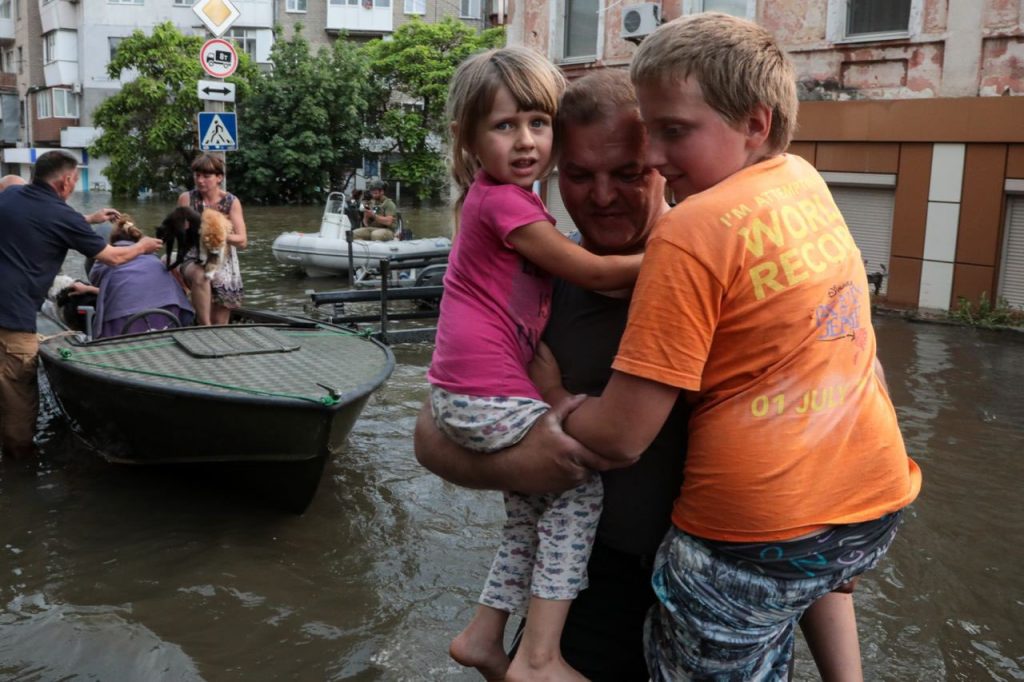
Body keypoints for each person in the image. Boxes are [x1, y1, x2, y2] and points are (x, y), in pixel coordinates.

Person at [416, 69, 866, 682]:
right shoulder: (531, 284)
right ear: (551, 172)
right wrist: (520, 465)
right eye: (578, 176)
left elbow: (813, 497)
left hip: (719, 582)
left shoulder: (749, 283)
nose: (601, 197)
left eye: (627, 174)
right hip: (580, 591)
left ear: (661, 161)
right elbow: (432, 432)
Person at [530, 14, 921, 680]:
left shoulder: (690, 230)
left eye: (671, 134)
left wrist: (558, 400)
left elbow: (622, 437)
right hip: (867, 514)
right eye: (651, 131)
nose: (655, 156)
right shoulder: (805, 182)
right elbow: (860, 357)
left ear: (755, 124)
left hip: (741, 541)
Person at [428, 48, 643, 682]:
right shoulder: (509, 208)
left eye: (536, 123)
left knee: (527, 516)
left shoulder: (505, 208)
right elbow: (596, 272)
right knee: (576, 492)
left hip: (473, 392)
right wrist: (690, 250)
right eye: (504, 126)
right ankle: (541, 658)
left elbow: (600, 283)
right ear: (469, 140)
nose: (524, 141)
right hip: (483, 393)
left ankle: (485, 635)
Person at [0, 150, 162, 460]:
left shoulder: (11, 195)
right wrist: (143, 246)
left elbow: (42, 222)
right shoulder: (62, 215)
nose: (73, 187)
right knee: (19, 405)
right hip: (13, 320)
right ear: (64, 182)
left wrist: (89, 219)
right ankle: (20, 475)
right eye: (74, 180)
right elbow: (113, 258)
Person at [81, 216, 195, 338]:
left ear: (111, 242)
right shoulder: (154, 259)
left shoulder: (108, 258)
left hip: (126, 323)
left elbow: (96, 281)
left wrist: (88, 288)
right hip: (168, 316)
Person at [177, 154, 247, 326]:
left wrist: (216, 234)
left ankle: (215, 334)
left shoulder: (231, 201)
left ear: (219, 178)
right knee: (202, 276)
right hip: (193, 257)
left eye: (206, 176)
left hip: (224, 262)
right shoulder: (187, 198)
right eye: (197, 176)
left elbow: (242, 240)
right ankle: (204, 327)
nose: (200, 181)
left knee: (220, 321)